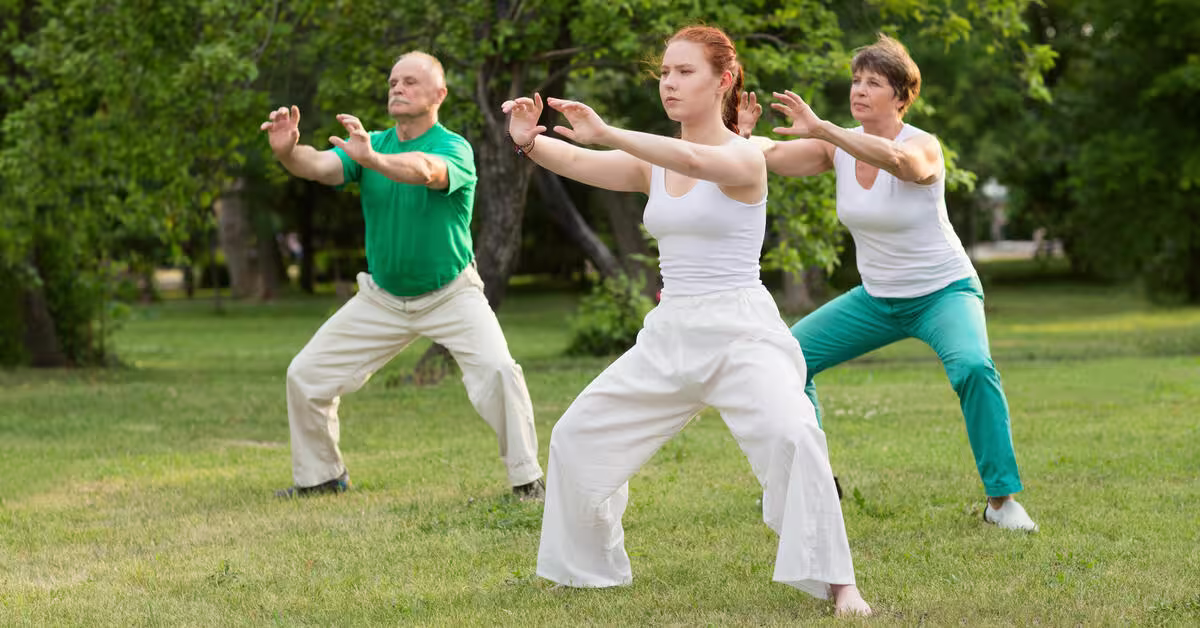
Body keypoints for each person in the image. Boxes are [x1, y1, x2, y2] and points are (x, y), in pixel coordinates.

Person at [503, 26, 871, 616]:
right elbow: (581, 160)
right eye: (665, 73)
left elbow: (697, 156)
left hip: (742, 333)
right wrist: (529, 142)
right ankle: (586, 571)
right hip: (671, 332)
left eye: (684, 72)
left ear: (723, 81)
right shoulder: (653, 164)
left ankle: (838, 583)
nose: (669, 84)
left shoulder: (745, 156)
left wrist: (607, 130)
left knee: (794, 435)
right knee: (575, 436)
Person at [738, 34, 1037, 531]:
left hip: (944, 292)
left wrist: (826, 129)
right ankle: (815, 483)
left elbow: (903, 165)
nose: (859, 89)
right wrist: (741, 137)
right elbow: (768, 157)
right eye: (856, 80)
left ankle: (1001, 502)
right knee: (787, 359)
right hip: (877, 299)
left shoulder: (922, 145)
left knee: (973, 368)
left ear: (901, 97)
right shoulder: (834, 149)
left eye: (873, 82)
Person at [259, 51, 545, 501]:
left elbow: (425, 171)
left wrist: (372, 160)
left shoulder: (453, 148)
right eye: (394, 81)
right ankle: (322, 477)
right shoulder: (368, 144)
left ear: (439, 94)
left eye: (411, 82)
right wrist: (287, 152)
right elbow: (316, 166)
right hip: (382, 298)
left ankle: (527, 479)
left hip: (451, 293)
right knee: (305, 375)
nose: (398, 88)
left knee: (498, 372)